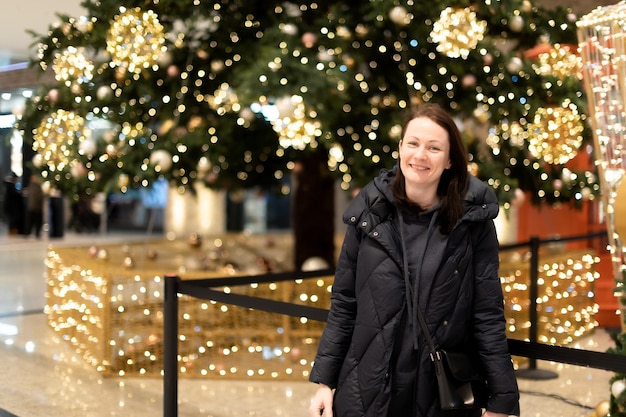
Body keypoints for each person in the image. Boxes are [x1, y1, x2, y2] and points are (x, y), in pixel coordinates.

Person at [308, 103, 520, 417]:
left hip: (439, 393)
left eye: (434, 148)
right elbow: (344, 303)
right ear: (400, 149)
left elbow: (486, 313)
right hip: (366, 389)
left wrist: (503, 399)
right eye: (413, 143)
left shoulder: (472, 223)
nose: (420, 155)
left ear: (449, 160)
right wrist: (324, 382)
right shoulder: (370, 214)